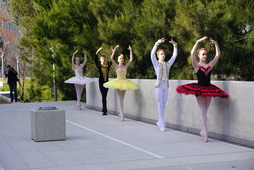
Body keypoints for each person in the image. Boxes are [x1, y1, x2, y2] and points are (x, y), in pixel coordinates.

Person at [176, 36, 229, 142]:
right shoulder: (196, 65)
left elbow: (218, 55)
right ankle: (205, 134)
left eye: (205, 54)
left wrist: (216, 44)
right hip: (199, 89)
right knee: (203, 111)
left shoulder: (209, 66)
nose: (205, 56)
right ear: (199, 55)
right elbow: (191, 53)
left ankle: (202, 130)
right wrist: (197, 42)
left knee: (205, 112)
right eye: (203, 54)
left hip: (209, 89)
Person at [103, 45, 138, 121]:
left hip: (125, 82)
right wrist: (114, 50)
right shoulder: (116, 66)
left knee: (122, 98)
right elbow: (111, 59)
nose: (122, 59)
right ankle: (122, 114)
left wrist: (131, 51)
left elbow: (131, 59)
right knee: (120, 99)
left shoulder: (125, 66)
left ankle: (121, 113)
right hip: (118, 82)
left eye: (122, 58)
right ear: (118, 60)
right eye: (120, 58)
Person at [151, 38, 178, 131]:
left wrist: (175, 46)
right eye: (161, 54)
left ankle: (160, 121)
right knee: (160, 103)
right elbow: (151, 55)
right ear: (158, 55)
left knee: (164, 104)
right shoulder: (156, 64)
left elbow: (174, 56)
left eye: (164, 54)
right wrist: (156, 44)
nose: (163, 55)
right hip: (158, 86)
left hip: (166, 86)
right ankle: (162, 123)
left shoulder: (168, 64)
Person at [94, 47, 112, 115]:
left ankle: (104, 109)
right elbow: (95, 59)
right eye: (102, 58)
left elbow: (111, 60)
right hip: (101, 82)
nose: (103, 59)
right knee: (103, 96)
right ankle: (104, 110)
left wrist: (113, 51)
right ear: (100, 59)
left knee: (105, 95)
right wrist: (98, 51)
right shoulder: (99, 65)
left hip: (107, 82)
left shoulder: (107, 66)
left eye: (104, 58)